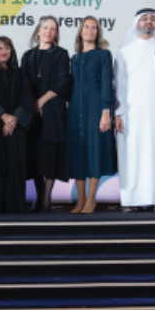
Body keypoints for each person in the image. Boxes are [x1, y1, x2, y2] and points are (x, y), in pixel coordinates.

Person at [113, 9, 155, 211]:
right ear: (137, 24)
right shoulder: (125, 52)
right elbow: (118, 85)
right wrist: (118, 113)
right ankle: (132, 201)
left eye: (152, 19)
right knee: (132, 156)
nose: (149, 22)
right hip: (131, 115)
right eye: (144, 19)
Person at [21, 16, 71, 213]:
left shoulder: (61, 54)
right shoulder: (27, 56)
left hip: (52, 109)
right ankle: (39, 194)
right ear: (38, 31)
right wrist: (32, 103)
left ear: (56, 33)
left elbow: (63, 82)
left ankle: (46, 198)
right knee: (35, 154)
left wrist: (41, 101)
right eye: (45, 28)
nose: (49, 31)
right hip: (31, 111)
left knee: (50, 154)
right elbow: (23, 83)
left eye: (53, 29)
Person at [0, 36, 33, 214]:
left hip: (16, 128)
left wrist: (13, 120)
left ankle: (15, 205)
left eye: (7, 48)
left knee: (15, 166)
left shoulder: (20, 73)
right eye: (0, 48)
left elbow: (26, 99)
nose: (4, 51)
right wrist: (2, 115)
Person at [66, 17, 116, 214]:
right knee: (78, 151)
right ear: (80, 31)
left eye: (93, 27)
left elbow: (106, 84)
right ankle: (80, 201)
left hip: (96, 107)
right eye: (86, 27)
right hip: (76, 109)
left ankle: (90, 200)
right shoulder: (74, 58)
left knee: (95, 151)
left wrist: (106, 111)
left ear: (98, 32)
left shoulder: (104, 55)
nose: (89, 30)